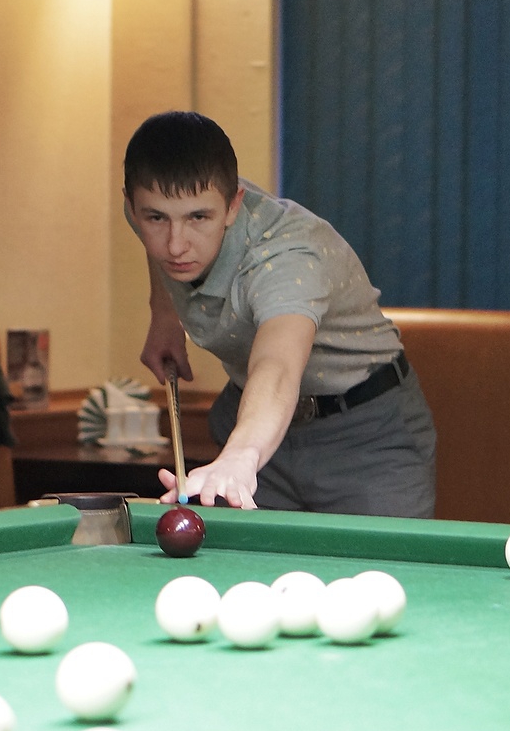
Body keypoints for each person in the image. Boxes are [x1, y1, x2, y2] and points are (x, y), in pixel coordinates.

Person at [124, 110, 436, 517]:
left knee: (377, 564)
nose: (175, 245)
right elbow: (162, 243)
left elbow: (277, 364)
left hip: (365, 438)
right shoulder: (149, 211)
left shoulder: (286, 257)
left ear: (233, 205)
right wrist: (164, 314)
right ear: (134, 207)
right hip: (251, 423)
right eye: (156, 218)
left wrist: (241, 456)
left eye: (198, 217)